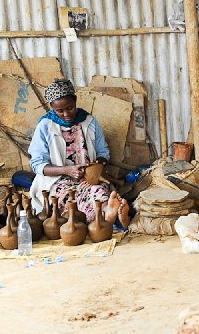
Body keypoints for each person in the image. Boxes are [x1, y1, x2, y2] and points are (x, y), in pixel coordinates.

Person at [28, 78, 130, 227]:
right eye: (59, 111)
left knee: (98, 190)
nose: (65, 114)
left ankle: (108, 211)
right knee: (72, 199)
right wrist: (67, 170)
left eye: (69, 108)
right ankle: (103, 219)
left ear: (75, 100)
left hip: (88, 179)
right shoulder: (45, 126)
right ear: (51, 107)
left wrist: (97, 165)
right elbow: (37, 164)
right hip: (57, 181)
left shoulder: (89, 122)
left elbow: (103, 152)